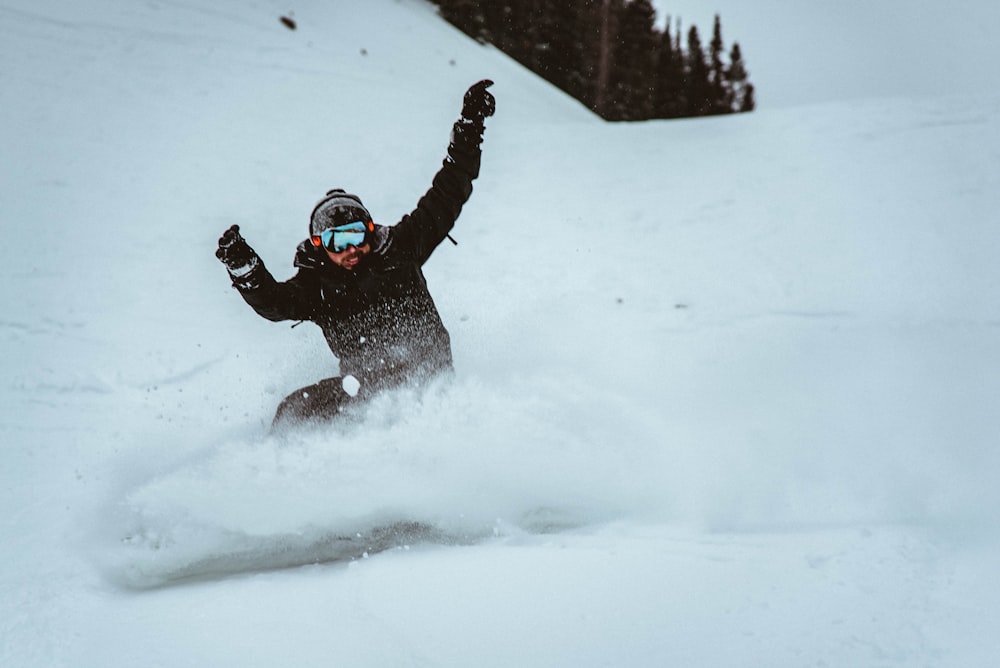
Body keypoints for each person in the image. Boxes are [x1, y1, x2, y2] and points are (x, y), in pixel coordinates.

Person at [215, 80, 496, 428]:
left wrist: (469, 127)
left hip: (430, 380)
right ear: (319, 246)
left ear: (371, 230)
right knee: (293, 410)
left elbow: (450, 190)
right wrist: (245, 269)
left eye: (357, 235)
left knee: (410, 411)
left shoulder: (401, 248)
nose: (351, 249)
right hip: (362, 390)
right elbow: (273, 302)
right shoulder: (315, 286)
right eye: (336, 241)